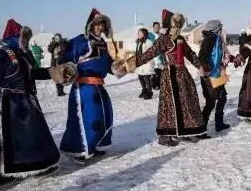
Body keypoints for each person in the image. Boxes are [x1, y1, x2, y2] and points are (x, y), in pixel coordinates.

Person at [0, 19, 74, 186]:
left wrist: (56, 72)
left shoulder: (22, 56)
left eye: (27, 37)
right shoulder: (0, 55)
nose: (26, 40)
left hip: (24, 103)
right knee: (0, 139)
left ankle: (36, 166)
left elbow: (33, 74)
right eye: (23, 37)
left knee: (30, 137)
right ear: (13, 36)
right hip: (4, 105)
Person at [60, 9, 127, 162]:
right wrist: (64, 62)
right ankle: (79, 150)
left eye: (102, 24)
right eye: (97, 24)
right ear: (90, 25)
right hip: (84, 88)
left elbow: (108, 64)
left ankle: (97, 145)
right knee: (87, 119)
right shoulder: (80, 41)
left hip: (99, 87)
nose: (99, 27)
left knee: (105, 116)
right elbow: (66, 60)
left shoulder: (102, 43)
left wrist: (118, 68)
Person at [136, 9, 208, 147]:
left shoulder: (180, 39)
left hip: (182, 74)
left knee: (185, 102)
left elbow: (190, 54)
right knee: (169, 106)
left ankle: (183, 131)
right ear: (170, 25)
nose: (178, 27)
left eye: (179, 25)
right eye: (176, 25)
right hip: (169, 75)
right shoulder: (164, 39)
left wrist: (199, 66)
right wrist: (131, 64)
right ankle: (165, 136)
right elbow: (150, 53)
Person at [198, 20, 241, 132]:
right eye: (220, 28)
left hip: (218, 73)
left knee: (222, 98)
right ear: (215, 29)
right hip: (209, 75)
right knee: (211, 102)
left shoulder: (219, 39)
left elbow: (225, 54)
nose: (221, 30)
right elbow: (202, 56)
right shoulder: (209, 39)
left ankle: (219, 123)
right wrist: (207, 68)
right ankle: (201, 127)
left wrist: (233, 59)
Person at [135, 28, 154, 100]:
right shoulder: (139, 41)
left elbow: (152, 51)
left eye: (140, 33)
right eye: (138, 33)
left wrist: (147, 58)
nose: (138, 34)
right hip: (140, 63)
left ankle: (149, 92)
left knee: (147, 78)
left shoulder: (148, 41)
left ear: (144, 34)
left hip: (147, 62)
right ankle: (144, 90)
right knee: (140, 77)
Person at [147, 22, 165, 91]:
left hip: (160, 56)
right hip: (153, 56)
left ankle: (158, 85)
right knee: (154, 72)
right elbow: (144, 39)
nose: (157, 28)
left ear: (159, 27)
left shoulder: (162, 36)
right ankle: (154, 85)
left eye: (158, 26)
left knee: (159, 72)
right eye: (155, 27)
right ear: (153, 27)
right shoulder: (150, 35)